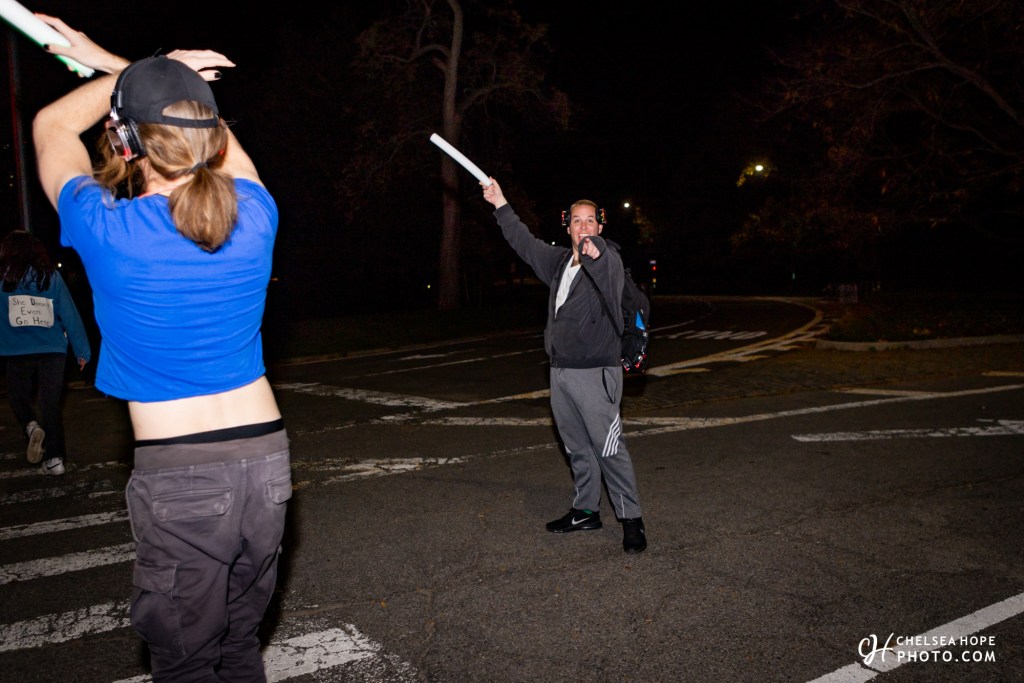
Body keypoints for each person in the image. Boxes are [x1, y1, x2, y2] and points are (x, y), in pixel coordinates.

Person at [32, 15, 291, 682]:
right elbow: (206, 141)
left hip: (182, 474)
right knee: (239, 644)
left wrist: (128, 69)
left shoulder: (107, 229)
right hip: (266, 462)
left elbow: (52, 126)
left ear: (126, 142)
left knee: (185, 661)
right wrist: (156, 77)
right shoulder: (257, 215)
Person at [481, 178, 647, 554]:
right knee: (576, 447)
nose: (583, 227)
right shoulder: (558, 264)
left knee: (609, 449)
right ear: (567, 225)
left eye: (590, 220)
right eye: (576, 221)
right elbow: (524, 243)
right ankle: (586, 511)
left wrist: (595, 249)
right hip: (560, 372)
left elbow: (602, 259)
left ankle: (632, 519)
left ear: (600, 225)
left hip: (596, 373)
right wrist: (501, 203)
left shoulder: (609, 261)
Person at [0, 230, 91, 475]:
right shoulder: (51, 277)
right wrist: (82, 351)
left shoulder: (3, 279)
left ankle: (31, 427)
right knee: (50, 403)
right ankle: (55, 460)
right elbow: (69, 314)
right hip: (53, 348)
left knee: (18, 395)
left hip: (17, 349)